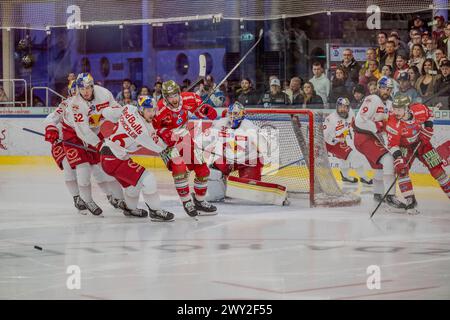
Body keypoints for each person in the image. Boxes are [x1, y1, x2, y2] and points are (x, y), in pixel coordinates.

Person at [100, 96, 175, 221]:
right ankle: (155, 211)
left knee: (133, 186)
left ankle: (130, 209)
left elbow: (109, 113)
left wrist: (99, 112)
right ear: (141, 109)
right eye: (148, 110)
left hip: (108, 155)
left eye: (153, 110)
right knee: (148, 178)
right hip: (115, 159)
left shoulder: (128, 109)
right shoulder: (143, 131)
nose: (152, 113)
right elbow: (160, 148)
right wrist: (170, 139)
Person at [62, 73, 125, 216]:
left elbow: (116, 109)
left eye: (88, 88)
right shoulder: (75, 104)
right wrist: (99, 145)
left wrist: (117, 116)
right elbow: (82, 131)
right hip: (72, 134)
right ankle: (87, 200)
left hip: (94, 131)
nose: (85, 91)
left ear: (93, 86)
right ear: (78, 89)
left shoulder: (104, 93)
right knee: (83, 167)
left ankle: (114, 197)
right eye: (82, 88)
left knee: (102, 167)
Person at [152, 80, 218, 217]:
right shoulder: (158, 109)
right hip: (167, 144)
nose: (174, 99)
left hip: (185, 137)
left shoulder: (189, 98)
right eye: (170, 96)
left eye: (175, 95)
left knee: (203, 170)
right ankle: (187, 201)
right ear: (165, 97)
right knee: (179, 168)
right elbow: (152, 129)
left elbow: (199, 110)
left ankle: (199, 201)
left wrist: (206, 110)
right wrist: (164, 133)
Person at [202, 102, 288, 205]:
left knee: (248, 193)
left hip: (248, 161)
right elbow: (206, 137)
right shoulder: (221, 123)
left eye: (236, 114)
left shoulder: (250, 128)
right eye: (231, 113)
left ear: (243, 114)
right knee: (212, 170)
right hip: (228, 159)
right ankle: (219, 191)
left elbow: (265, 147)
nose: (233, 117)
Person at [385, 95, 450, 214]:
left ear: (407, 108)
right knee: (402, 170)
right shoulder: (392, 122)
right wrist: (398, 158)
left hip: (423, 143)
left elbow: (429, 114)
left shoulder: (419, 109)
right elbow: (392, 145)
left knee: (438, 170)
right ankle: (410, 200)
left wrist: (428, 130)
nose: (396, 112)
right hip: (404, 147)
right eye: (394, 108)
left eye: (399, 109)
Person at [353, 76, 405, 210]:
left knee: (379, 165)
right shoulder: (372, 99)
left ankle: (378, 193)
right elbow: (360, 120)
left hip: (373, 137)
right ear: (379, 87)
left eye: (389, 89)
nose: (386, 91)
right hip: (364, 136)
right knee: (388, 159)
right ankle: (390, 196)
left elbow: (389, 121)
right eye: (384, 88)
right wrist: (378, 127)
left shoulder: (388, 103)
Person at [44, 80, 87, 211]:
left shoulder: (89, 104)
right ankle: (76, 197)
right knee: (69, 167)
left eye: (77, 90)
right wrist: (51, 129)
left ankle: (109, 195)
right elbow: (50, 118)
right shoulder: (65, 104)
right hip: (62, 142)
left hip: (81, 142)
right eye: (72, 91)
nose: (75, 93)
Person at [323, 97, 372, 185]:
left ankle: (345, 176)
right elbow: (324, 136)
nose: (343, 109)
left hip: (341, 140)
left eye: (345, 107)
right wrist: (337, 140)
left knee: (344, 158)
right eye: (341, 107)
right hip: (330, 143)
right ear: (337, 107)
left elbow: (354, 123)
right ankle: (364, 177)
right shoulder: (330, 119)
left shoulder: (351, 113)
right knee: (353, 156)